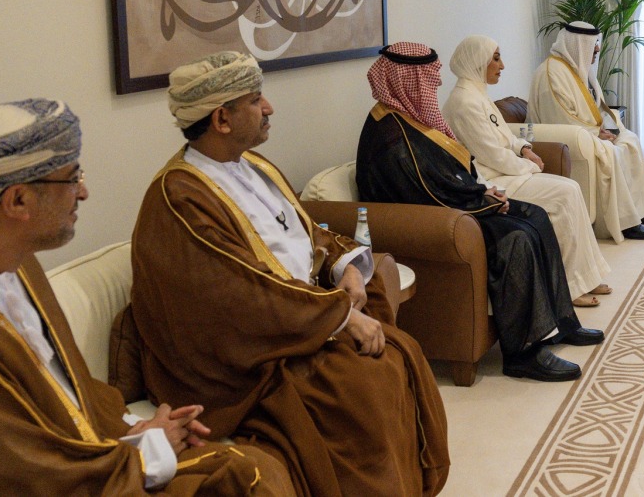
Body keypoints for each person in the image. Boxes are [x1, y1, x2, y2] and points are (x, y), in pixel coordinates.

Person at [131, 52, 450, 496]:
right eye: (257, 100)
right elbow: (242, 296)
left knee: (398, 351)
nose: (269, 108)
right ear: (222, 119)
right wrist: (340, 316)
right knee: (361, 389)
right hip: (246, 356)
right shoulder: (179, 196)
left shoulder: (254, 166)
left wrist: (348, 270)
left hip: (299, 317)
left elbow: (307, 233)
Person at [0, 98, 293, 495]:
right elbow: (25, 473)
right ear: (18, 200)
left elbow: (73, 391)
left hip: (106, 461)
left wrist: (136, 428)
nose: (85, 192)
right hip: (84, 482)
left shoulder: (18, 265)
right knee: (252, 479)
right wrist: (148, 450)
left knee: (252, 469)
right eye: (72, 178)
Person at [357, 42, 605, 382]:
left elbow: (446, 171)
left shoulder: (409, 118)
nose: (435, 86)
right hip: (439, 220)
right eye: (429, 80)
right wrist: (483, 199)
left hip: (459, 201)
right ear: (407, 81)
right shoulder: (391, 135)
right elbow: (427, 191)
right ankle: (523, 352)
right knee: (517, 236)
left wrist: (481, 190)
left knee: (536, 217)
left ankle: (561, 322)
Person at [443, 35, 613, 308]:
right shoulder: (464, 102)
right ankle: (570, 287)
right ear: (477, 61)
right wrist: (529, 166)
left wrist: (524, 149)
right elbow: (492, 155)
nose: (502, 65)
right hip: (495, 180)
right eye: (496, 58)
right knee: (565, 194)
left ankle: (586, 277)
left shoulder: (477, 93)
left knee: (570, 190)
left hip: (511, 171)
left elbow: (505, 137)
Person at [527, 21, 644, 241]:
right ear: (578, 47)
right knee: (610, 151)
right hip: (564, 140)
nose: (595, 55)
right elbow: (559, 118)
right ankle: (625, 222)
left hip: (584, 133)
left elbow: (588, 109)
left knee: (629, 139)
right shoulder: (551, 73)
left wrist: (603, 130)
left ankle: (639, 210)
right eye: (592, 50)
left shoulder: (573, 70)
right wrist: (596, 133)